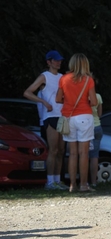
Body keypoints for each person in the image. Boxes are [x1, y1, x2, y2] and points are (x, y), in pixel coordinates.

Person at [23, 50, 68, 190]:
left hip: (62, 116)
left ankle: (57, 180)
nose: (58, 62)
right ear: (49, 62)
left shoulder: (62, 77)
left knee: (61, 150)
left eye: (59, 60)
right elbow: (27, 92)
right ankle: (49, 182)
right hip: (50, 116)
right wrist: (43, 102)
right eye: (55, 60)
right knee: (53, 149)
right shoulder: (45, 76)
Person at [55, 53, 98, 192]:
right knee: (84, 153)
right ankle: (84, 184)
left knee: (72, 153)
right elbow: (94, 101)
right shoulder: (88, 80)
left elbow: (58, 99)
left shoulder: (63, 79)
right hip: (84, 116)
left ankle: (72, 185)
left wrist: (68, 101)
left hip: (68, 117)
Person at [89, 92, 103, 188]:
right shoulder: (98, 96)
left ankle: (83, 181)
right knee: (94, 156)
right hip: (97, 126)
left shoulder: (82, 95)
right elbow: (99, 113)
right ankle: (94, 182)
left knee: (83, 155)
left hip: (86, 127)